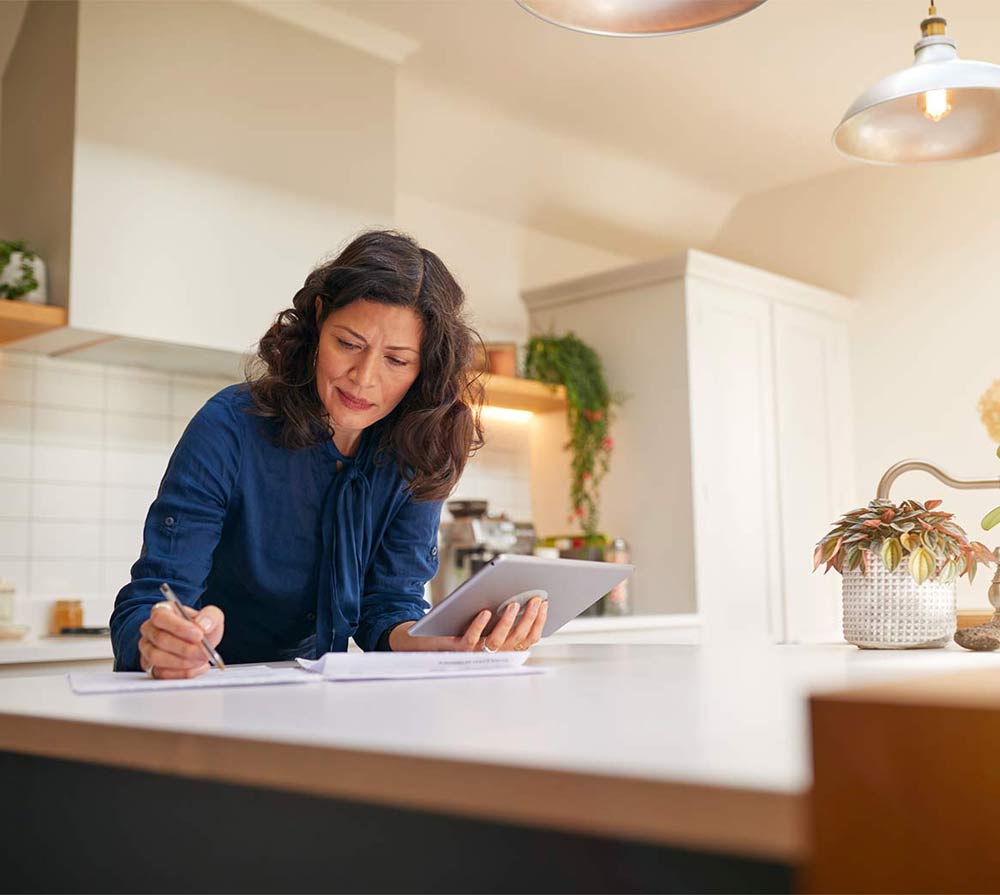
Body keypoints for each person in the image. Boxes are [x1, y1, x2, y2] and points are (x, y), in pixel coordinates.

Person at [110, 230, 548, 678]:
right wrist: (160, 640)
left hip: (317, 697)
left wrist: (442, 641)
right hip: (204, 691)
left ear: (425, 367)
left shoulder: (422, 448)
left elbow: (388, 606)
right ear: (320, 319)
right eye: (348, 344)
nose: (363, 378)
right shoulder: (229, 427)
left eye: (396, 361)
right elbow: (150, 601)